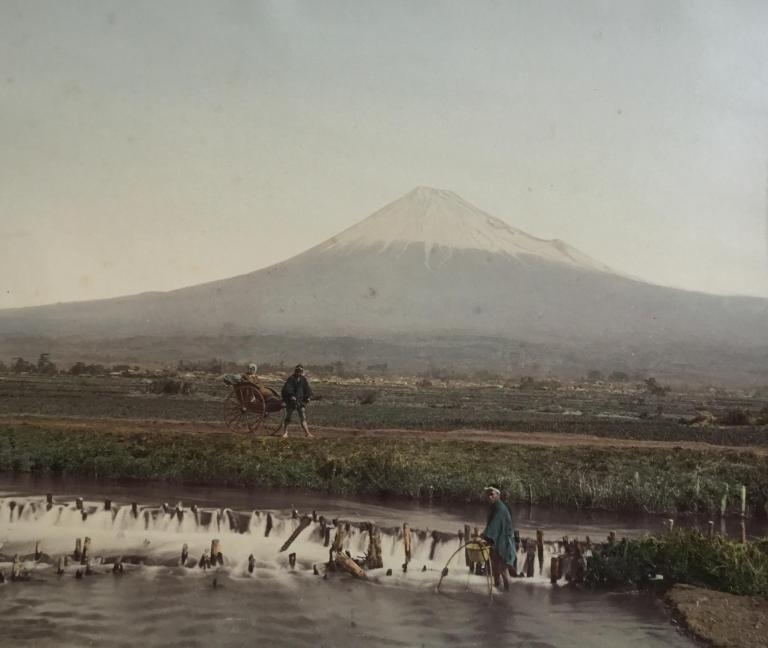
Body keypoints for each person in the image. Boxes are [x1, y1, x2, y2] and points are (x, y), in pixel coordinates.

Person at [481, 486, 515, 590]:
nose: (489, 497)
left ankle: (507, 595)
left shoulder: (500, 508)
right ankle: (498, 595)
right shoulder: (495, 507)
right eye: (488, 495)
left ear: (498, 495)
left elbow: (494, 526)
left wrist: (484, 537)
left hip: (504, 544)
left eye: (492, 494)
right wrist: (484, 536)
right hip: (497, 543)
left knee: (503, 570)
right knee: (495, 569)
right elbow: (491, 525)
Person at [279, 364, 313, 438]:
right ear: (295, 371)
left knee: (303, 417)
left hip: (300, 401)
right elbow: (287, 389)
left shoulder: (303, 379)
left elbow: (307, 389)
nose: (299, 372)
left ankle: (307, 433)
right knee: (288, 417)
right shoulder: (291, 379)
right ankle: (285, 433)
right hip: (291, 402)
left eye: (300, 371)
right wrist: (291, 396)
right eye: (298, 371)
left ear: (302, 371)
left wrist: (308, 397)